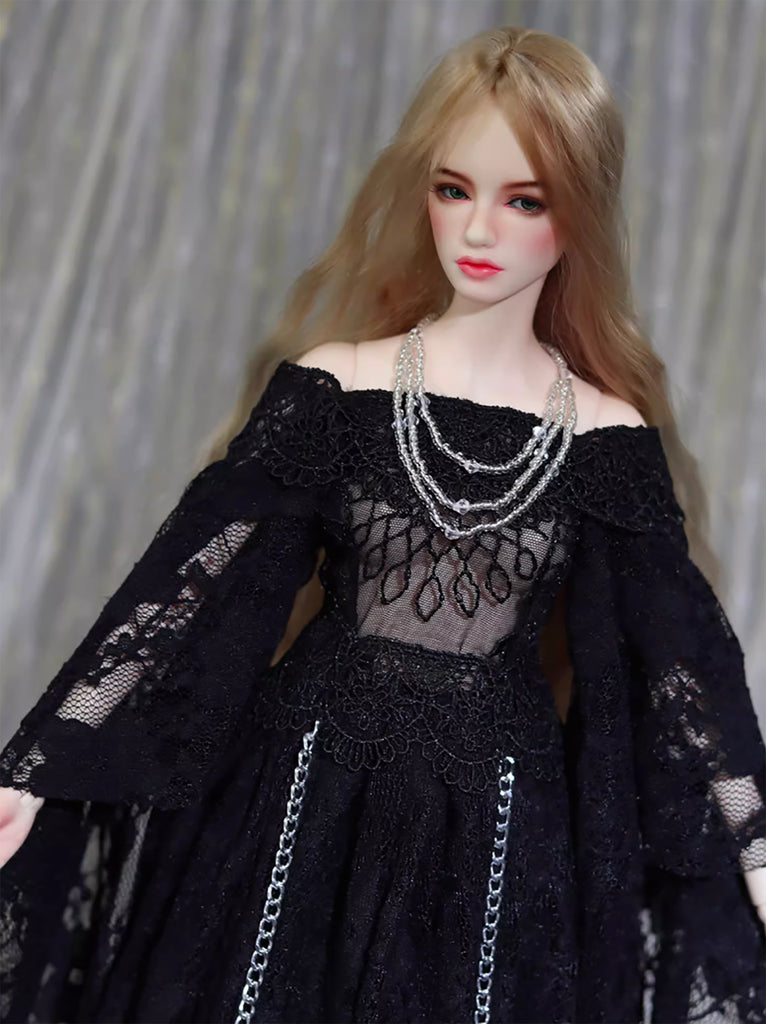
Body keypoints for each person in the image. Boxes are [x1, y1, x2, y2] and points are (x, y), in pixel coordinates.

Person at [0, 23, 764, 1024]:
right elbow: (195, 585)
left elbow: (682, 664)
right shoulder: (336, 387)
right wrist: (40, 764)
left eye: (524, 200)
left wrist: (754, 849)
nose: (478, 231)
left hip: (496, 825)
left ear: (578, 212)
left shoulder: (606, 440)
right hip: (300, 790)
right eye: (454, 189)